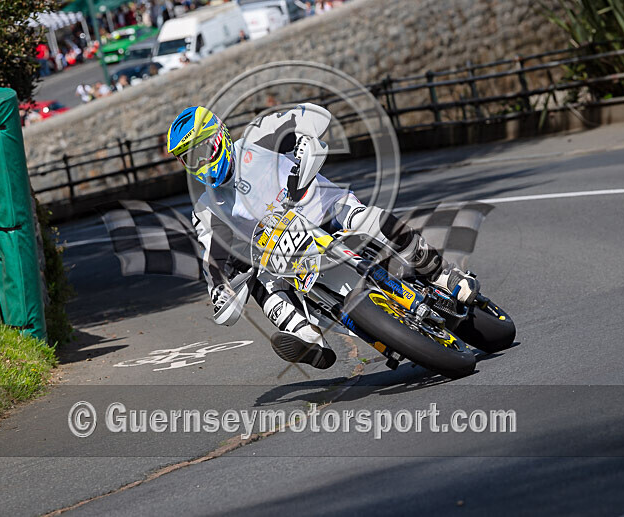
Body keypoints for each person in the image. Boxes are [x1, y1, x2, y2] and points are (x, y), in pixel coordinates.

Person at [166, 105, 480, 369]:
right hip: (285, 254)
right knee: (258, 282)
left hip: (325, 209)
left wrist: (304, 142)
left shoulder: (258, 136)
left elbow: (315, 117)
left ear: (220, 136)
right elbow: (213, 258)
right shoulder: (206, 208)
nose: (201, 162)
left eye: (203, 150)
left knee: (368, 218)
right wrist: (222, 286)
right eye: (190, 158)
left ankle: (442, 275)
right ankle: (308, 339)